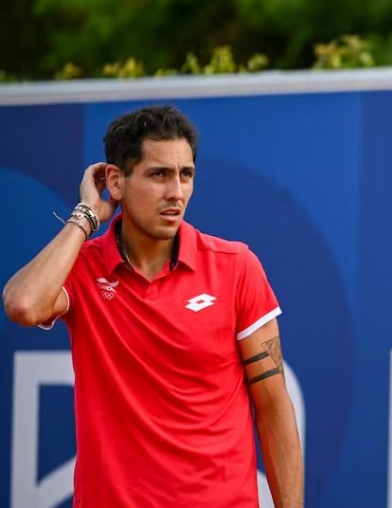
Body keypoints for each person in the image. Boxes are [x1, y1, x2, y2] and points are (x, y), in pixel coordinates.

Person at [3, 105, 303, 507]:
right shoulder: (80, 267)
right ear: (116, 181)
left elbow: (274, 410)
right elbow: (23, 304)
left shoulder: (236, 267)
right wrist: (87, 215)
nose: (176, 192)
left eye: (186, 175)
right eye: (158, 175)